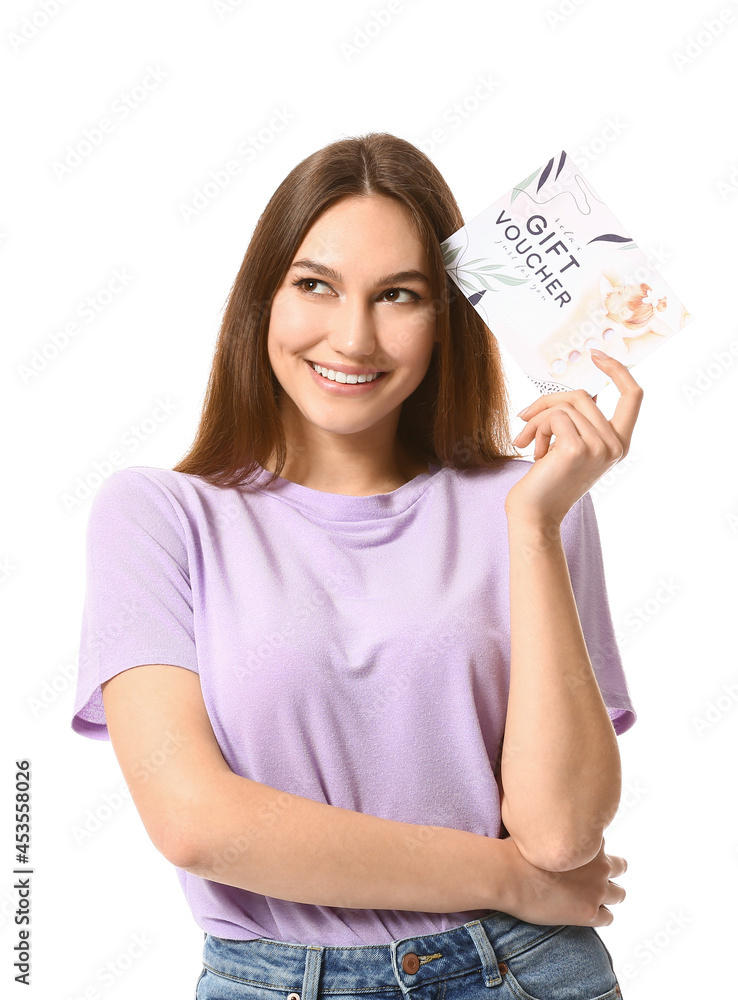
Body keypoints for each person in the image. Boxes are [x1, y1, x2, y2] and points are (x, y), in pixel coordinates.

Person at [71, 132, 641, 1000]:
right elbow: (195, 822)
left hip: (523, 974)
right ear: (264, 296)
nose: (353, 336)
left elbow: (561, 837)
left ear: (445, 315)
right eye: (315, 285)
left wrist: (532, 525)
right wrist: (509, 882)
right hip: (276, 977)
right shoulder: (158, 517)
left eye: (399, 295)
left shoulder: (537, 505)